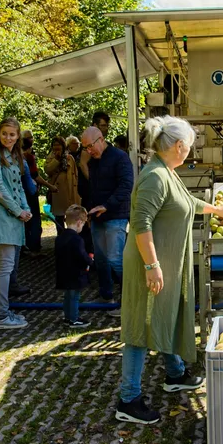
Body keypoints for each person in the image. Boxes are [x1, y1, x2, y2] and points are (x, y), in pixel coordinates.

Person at [115, 115, 223, 424]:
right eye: (190, 147)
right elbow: (141, 223)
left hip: (163, 262)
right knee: (140, 327)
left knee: (164, 314)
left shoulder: (168, 171)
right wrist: (152, 265)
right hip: (149, 262)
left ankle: (175, 374)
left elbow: (188, 202)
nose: (191, 152)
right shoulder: (154, 176)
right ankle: (128, 400)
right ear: (179, 146)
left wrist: (217, 210)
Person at [0, 117, 32, 330]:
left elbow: (18, 186)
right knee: (4, 266)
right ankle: (1, 316)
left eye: (12, 134)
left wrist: (26, 208)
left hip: (12, 217)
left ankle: (4, 311)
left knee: (8, 266)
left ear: (18, 136)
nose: (8, 138)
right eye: (4, 134)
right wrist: (18, 210)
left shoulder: (13, 156)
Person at [81, 126, 133, 308]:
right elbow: (92, 190)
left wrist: (107, 205)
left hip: (116, 216)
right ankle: (106, 296)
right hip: (97, 217)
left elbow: (126, 186)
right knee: (101, 260)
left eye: (90, 146)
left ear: (101, 139)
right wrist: (89, 210)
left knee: (115, 258)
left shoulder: (120, 157)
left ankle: (130, 299)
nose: (89, 151)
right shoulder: (92, 162)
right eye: (85, 148)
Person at [55, 205, 93, 328]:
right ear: (78, 222)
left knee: (67, 296)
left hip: (63, 273)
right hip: (75, 274)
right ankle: (73, 319)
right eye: (82, 224)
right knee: (74, 297)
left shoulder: (60, 238)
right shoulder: (77, 239)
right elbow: (82, 256)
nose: (82, 227)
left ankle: (67, 317)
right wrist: (90, 261)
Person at [21, 130, 51, 254]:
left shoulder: (15, 155)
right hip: (29, 192)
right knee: (34, 219)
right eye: (29, 138)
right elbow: (34, 176)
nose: (31, 139)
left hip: (20, 193)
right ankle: (34, 247)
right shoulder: (28, 157)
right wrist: (50, 186)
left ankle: (26, 246)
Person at [45, 136, 79, 216]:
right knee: (59, 215)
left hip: (70, 191)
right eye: (54, 145)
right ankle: (61, 229)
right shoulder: (50, 158)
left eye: (58, 144)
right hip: (58, 191)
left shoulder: (69, 158)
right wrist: (56, 160)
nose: (56, 146)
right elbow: (48, 170)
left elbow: (75, 175)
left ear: (63, 146)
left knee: (71, 215)